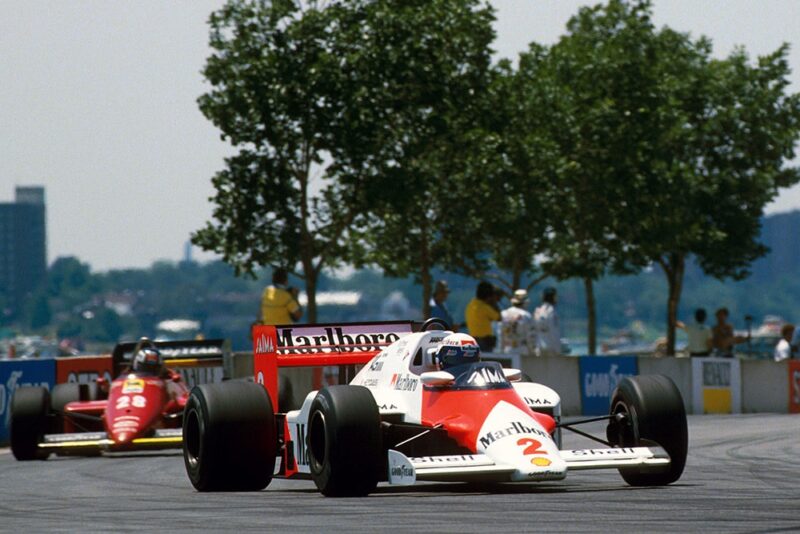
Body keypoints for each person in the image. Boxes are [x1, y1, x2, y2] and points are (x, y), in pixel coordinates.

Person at [465, 281, 501, 352]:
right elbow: (499, 318)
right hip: (485, 342)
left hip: (473, 340)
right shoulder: (484, 308)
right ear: (488, 296)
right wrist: (494, 303)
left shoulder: (470, 305)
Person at [501, 289, 536, 357]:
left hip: (507, 349)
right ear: (525, 302)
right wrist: (533, 351)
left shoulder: (504, 314)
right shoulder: (526, 316)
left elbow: (501, 334)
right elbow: (530, 336)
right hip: (522, 349)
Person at [534, 287, 561, 357]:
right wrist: (558, 349)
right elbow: (554, 331)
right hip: (551, 346)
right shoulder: (552, 311)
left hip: (539, 345)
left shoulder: (538, 310)